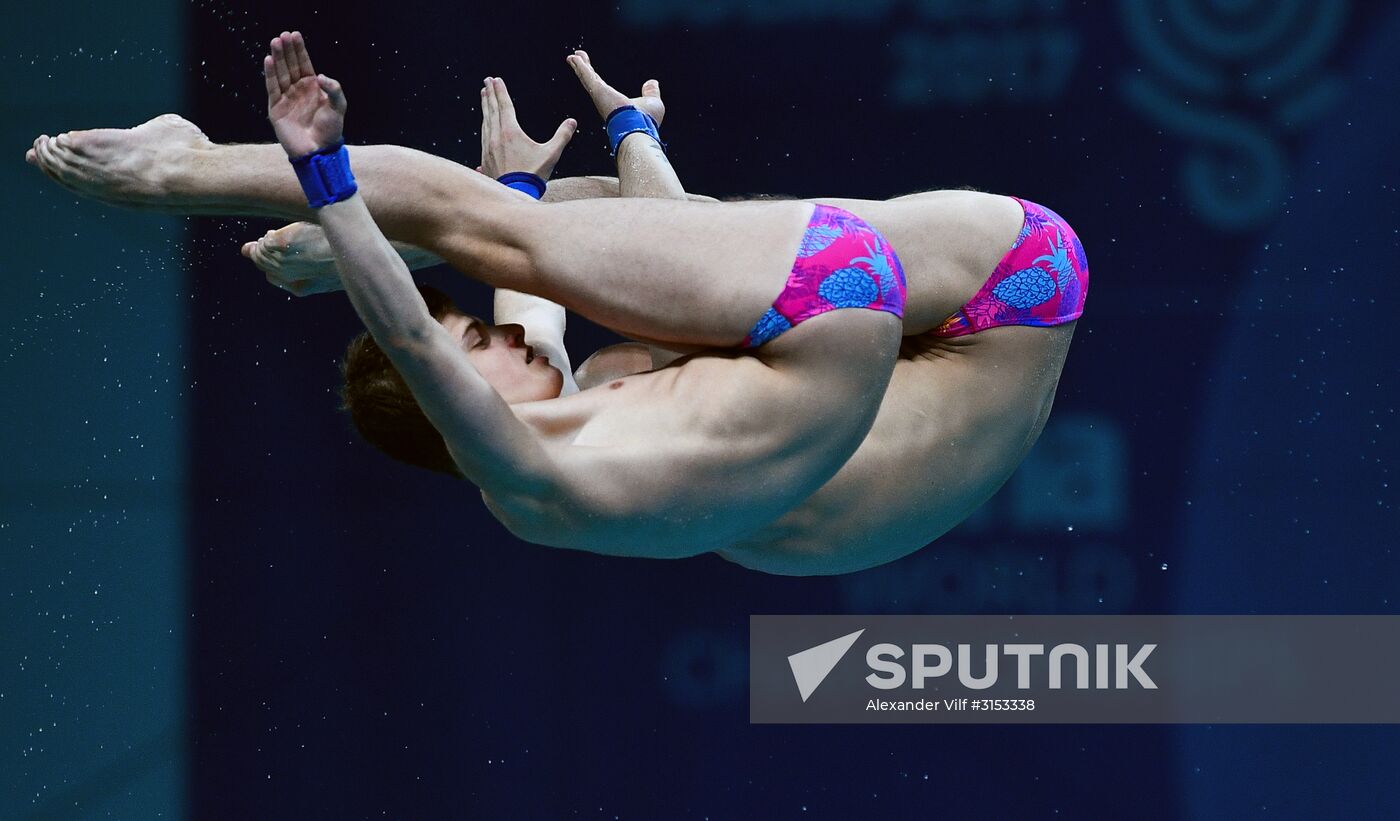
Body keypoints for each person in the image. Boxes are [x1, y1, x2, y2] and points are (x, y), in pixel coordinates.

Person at [24, 40, 1088, 576]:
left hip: (924, 320)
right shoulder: (514, 461)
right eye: (475, 340)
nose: (496, 330)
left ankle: (529, 188)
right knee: (483, 225)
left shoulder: (571, 440)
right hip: (971, 283)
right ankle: (183, 171)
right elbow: (413, 326)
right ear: (449, 410)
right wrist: (329, 190)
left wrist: (571, 178)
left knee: (543, 253)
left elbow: (542, 301)